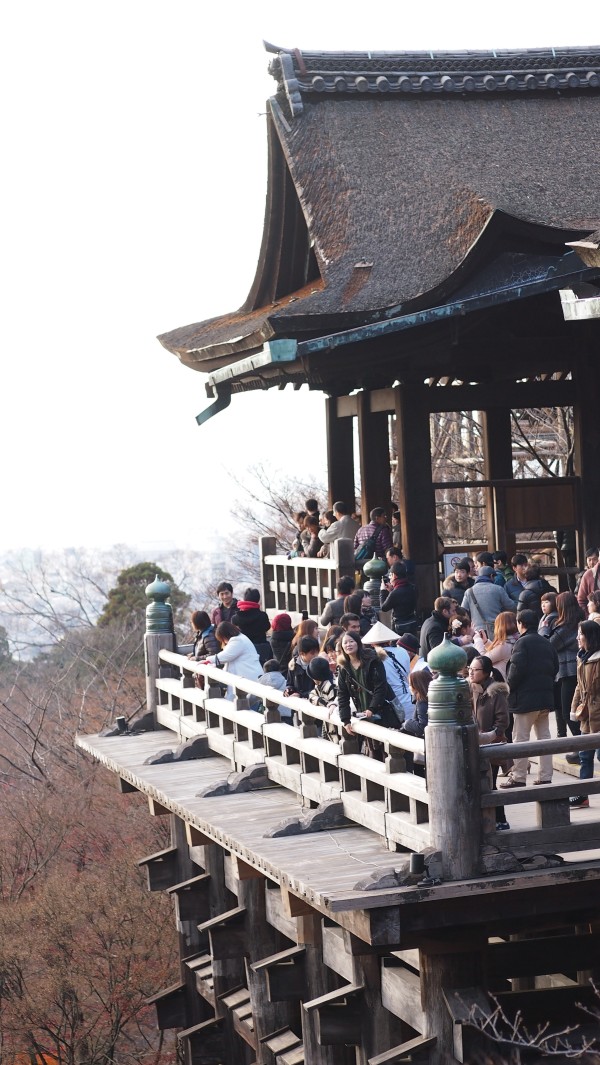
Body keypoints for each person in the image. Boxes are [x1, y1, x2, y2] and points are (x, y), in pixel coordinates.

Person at [500, 610, 559, 788]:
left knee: (520, 739)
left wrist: (508, 688)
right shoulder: (546, 642)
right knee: (544, 738)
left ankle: (518, 777)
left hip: (524, 700)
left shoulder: (521, 643)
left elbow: (516, 672)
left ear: (521, 623)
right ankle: (546, 775)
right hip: (545, 698)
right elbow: (555, 667)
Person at [468, 655, 511, 829]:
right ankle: (488, 819)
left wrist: (490, 735)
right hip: (475, 744)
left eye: (475, 669)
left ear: (486, 672)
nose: (470, 672)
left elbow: (503, 722)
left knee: (490, 784)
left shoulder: (495, 692)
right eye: (469, 668)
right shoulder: (468, 688)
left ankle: (501, 820)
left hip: (492, 744)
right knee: (480, 784)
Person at [337, 632, 397, 753]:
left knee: (387, 750)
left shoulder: (373, 660)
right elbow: (342, 695)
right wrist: (345, 720)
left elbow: (381, 686)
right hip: (363, 714)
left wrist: (372, 708)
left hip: (382, 711)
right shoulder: (344, 668)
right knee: (373, 751)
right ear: (342, 647)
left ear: (358, 643)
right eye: (345, 643)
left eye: (351, 641)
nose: (348, 645)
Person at [569, 620, 600, 808]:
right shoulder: (581, 657)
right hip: (586, 715)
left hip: (598, 713)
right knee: (584, 756)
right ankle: (582, 795)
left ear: (590, 636)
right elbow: (579, 687)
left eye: (580, 633)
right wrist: (574, 708)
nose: (578, 637)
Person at [550, 591, 585, 745]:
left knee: (567, 712)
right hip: (579, 669)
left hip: (568, 672)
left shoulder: (564, 628)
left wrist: (545, 627)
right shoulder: (580, 621)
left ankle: (583, 744)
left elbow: (550, 645)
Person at [362, 621, 413, 723]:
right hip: (409, 700)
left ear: (372, 643)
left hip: (392, 704)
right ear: (389, 640)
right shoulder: (402, 651)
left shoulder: (373, 657)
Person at [205, 622, 262, 701]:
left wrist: (208, 660)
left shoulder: (237, 641)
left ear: (225, 635)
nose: (224, 642)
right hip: (247, 676)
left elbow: (224, 656)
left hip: (249, 678)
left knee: (245, 705)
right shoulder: (240, 638)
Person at [461, 567, 514, 639]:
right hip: (497, 629)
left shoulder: (469, 591)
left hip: (477, 632)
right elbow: (511, 606)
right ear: (491, 576)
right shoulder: (498, 589)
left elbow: (463, 611)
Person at [473, 611, 518, 680]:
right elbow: (496, 653)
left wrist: (478, 640)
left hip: (500, 683)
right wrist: (486, 642)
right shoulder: (515, 640)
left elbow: (482, 662)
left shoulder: (504, 646)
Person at [231, 588, 272, 664]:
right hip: (261, 651)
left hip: (244, 650)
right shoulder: (263, 616)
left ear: (245, 599)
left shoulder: (236, 618)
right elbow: (267, 627)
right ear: (258, 600)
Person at [380, 562, 417, 636]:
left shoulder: (395, 593)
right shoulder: (413, 588)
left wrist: (383, 591)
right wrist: (392, 591)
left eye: (390, 575)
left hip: (399, 628)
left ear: (394, 575)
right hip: (412, 625)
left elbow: (384, 607)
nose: (389, 578)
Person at [308, 656, 340, 739]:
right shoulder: (320, 685)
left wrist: (326, 704)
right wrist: (322, 702)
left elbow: (333, 705)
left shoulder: (331, 685)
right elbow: (311, 696)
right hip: (327, 725)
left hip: (336, 726)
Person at [577, 546, 600, 612]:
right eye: (589, 559)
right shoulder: (587, 575)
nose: (591, 562)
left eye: (594, 559)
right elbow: (581, 600)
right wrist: (588, 617)